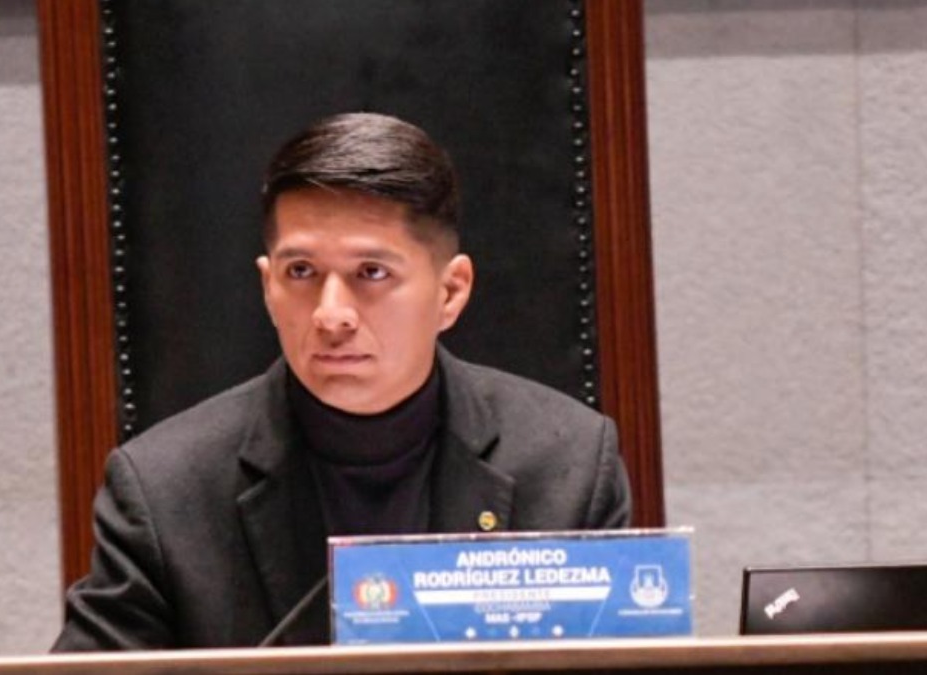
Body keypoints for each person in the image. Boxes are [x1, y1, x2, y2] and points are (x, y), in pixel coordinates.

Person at [52, 112, 631, 651]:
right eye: (301, 272)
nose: (331, 315)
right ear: (267, 286)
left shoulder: (570, 465)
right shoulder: (163, 489)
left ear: (450, 292)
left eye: (370, 273)